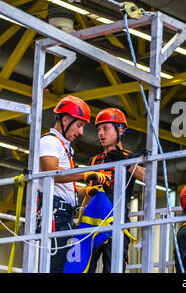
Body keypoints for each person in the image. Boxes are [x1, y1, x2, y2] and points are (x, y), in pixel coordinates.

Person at [38, 95, 112, 273]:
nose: (81, 132)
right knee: (54, 266)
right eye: (79, 125)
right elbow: (50, 171)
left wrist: (86, 191)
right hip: (54, 215)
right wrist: (85, 174)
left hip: (62, 214)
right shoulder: (49, 141)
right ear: (65, 120)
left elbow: (62, 186)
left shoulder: (63, 146)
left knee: (63, 266)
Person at [85, 107, 145, 273]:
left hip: (117, 218)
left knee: (114, 267)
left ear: (119, 130)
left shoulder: (130, 156)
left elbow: (148, 178)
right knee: (84, 266)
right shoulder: (96, 161)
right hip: (93, 218)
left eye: (106, 128)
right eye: (98, 129)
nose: (101, 134)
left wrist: (126, 163)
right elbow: (89, 191)